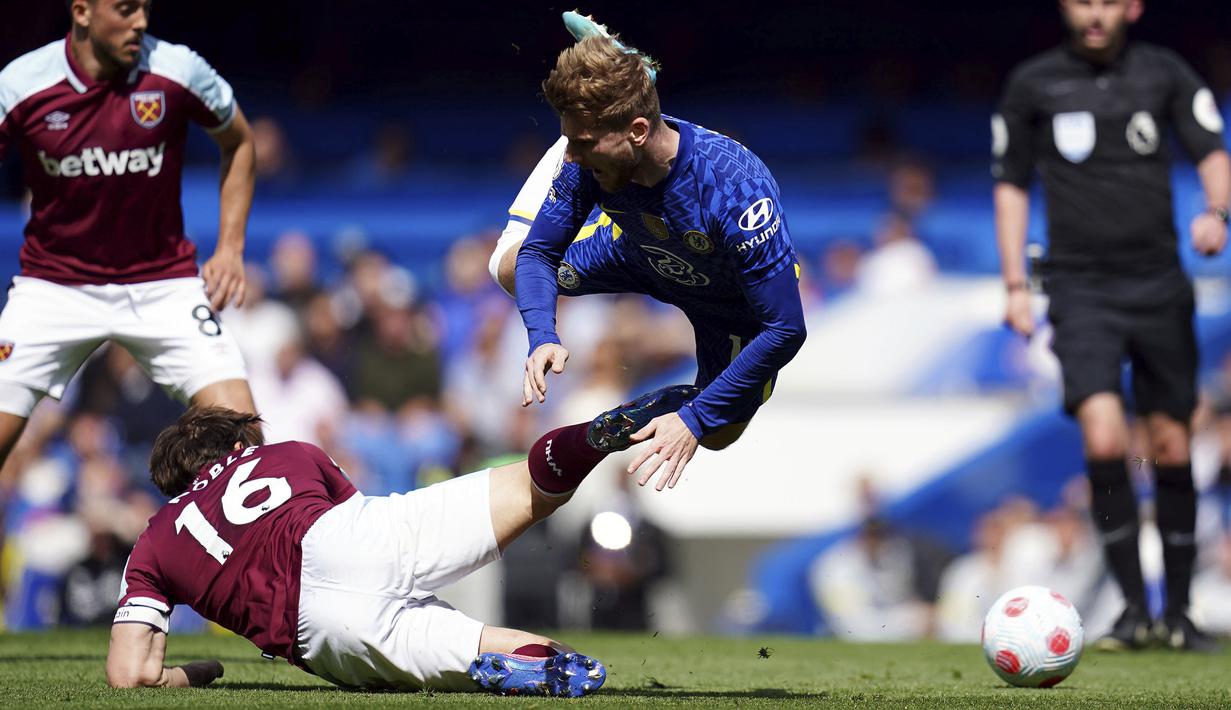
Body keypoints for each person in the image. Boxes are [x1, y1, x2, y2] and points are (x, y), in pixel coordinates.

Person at [104, 388, 691, 694]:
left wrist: (200, 671)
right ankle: (591, 440)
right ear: (236, 449)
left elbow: (130, 676)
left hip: (321, 631)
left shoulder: (154, 542)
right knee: (524, 489)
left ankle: (516, 658)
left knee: (497, 652)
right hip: (349, 535)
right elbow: (355, 509)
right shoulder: (285, 454)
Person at [993, 0, 1229, 651]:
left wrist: (1217, 211)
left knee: (1172, 446)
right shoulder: (1033, 83)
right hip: (1078, 285)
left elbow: (1212, 148)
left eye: (1105, 0)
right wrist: (1015, 284)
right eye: (1080, 0)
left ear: (1130, 6)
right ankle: (1130, 610)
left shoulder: (1163, 73)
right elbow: (1008, 184)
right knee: (1101, 438)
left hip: (1157, 284)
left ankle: (1176, 612)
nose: (1093, 13)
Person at [491, 14, 806, 491]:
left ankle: (627, 69)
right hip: (634, 251)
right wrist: (542, 334)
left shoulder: (736, 191)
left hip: (728, 304)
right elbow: (538, 256)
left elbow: (786, 329)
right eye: (570, 140)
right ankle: (624, 70)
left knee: (721, 434)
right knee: (507, 267)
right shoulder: (591, 164)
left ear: (638, 131)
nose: (569, 157)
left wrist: (695, 420)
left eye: (580, 142)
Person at [0, 0, 257, 482]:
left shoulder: (177, 70)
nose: (140, 21)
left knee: (247, 441)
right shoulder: (21, 84)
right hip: (54, 288)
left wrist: (231, 248)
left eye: (144, 8)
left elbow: (239, 140)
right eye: (124, 9)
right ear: (82, 13)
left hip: (163, 285)